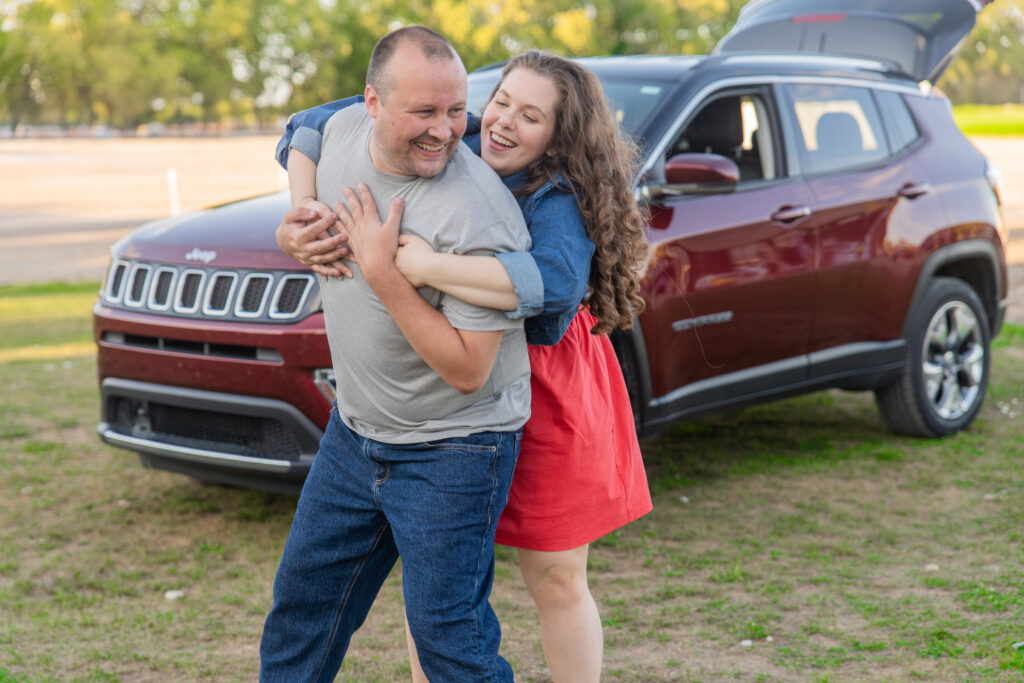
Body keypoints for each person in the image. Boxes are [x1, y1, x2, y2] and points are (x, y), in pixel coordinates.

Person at [276, 50, 652, 682]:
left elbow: (555, 285)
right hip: (442, 397)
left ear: (560, 138)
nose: (502, 123)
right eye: (501, 100)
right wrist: (302, 212)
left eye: (531, 116)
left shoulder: (555, 195)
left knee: (556, 576)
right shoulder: (460, 130)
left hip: (544, 381)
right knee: (432, 592)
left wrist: (423, 268)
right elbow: (309, 122)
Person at [259, 27, 534, 682]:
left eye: (455, 111)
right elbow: (305, 133)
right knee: (301, 614)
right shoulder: (344, 134)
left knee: (450, 642)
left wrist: (386, 274)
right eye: (424, 112)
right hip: (355, 432)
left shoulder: (478, 213)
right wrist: (296, 217)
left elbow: (470, 370)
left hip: (457, 447)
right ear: (373, 104)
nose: (445, 131)